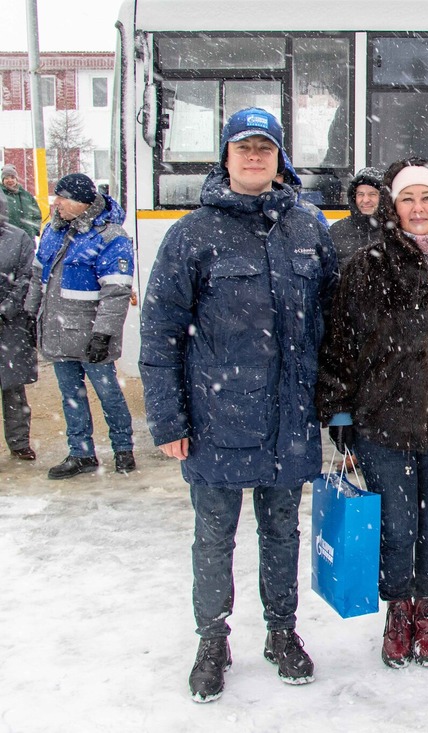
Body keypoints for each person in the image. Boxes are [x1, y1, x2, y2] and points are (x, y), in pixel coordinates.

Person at [139, 107, 338, 702]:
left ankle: (282, 631)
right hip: (215, 419)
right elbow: (161, 331)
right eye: (243, 148)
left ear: (279, 161)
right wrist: (169, 419)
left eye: (265, 148)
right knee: (214, 536)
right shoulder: (192, 234)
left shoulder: (308, 228)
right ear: (225, 158)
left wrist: (335, 405)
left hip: (288, 418)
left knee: (282, 531)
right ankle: (212, 640)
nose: (254, 157)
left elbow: (332, 323)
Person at [315, 158, 428, 670]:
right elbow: (339, 344)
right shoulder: (365, 266)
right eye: (407, 199)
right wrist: (339, 410)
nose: (417, 209)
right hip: (381, 424)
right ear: (393, 206)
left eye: (427, 199)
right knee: (394, 525)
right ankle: (398, 610)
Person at [25, 173, 136, 479]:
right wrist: (29, 315)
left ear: (81, 203)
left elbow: (116, 291)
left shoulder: (110, 237)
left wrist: (103, 334)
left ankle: (123, 450)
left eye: (62, 198)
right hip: (58, 333)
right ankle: (81, 454)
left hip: (91, 336)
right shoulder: (52, 231)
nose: (56, 203)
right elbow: (38, 278)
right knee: (70, 395)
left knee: (108, 392)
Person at [0, 195, 38, 460]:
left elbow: (27, 277)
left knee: (12, 388)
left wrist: (6, 309)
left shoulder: (19, 238)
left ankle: (19, 442)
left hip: (9, 324)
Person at [327, 166, 384, 267]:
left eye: (372, 194)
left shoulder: (396, 231)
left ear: (383, 198)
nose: (365, 200)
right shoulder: (336, 231)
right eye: (360, 194)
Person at [1, 164, 43, 241]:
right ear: (3, 181)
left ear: (16, 179)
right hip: (4, 240)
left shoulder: (27, 196)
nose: (10, 180)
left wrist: (33, 230)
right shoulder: (1, 195)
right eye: (6, 178)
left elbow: (37, 215)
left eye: (12, 177)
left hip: (26, 239)